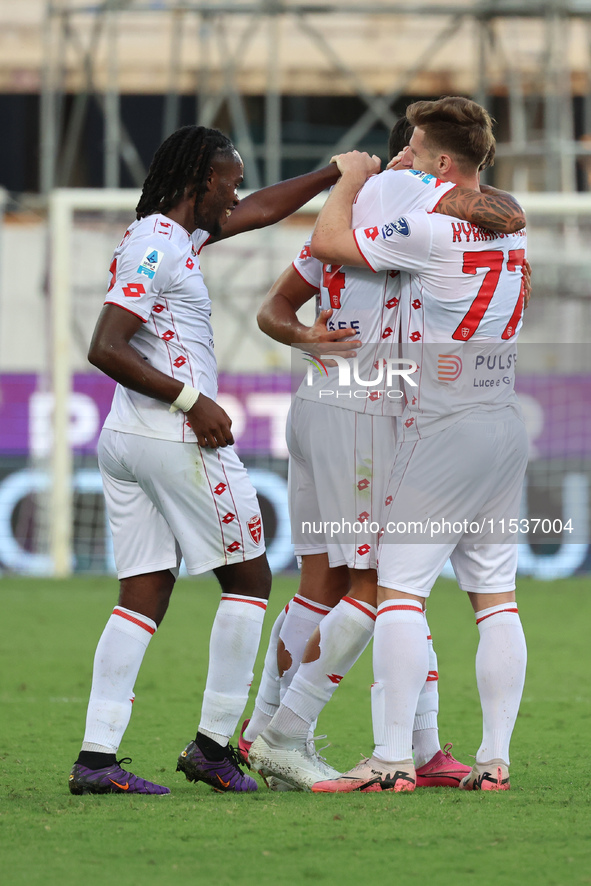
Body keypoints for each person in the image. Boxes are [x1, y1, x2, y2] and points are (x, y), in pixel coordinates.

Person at [244, 114, 527, 790]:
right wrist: (308, 338)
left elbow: (298, 279)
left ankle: (400, 747)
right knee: (382, 590)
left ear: (434, 163)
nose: (399, 151)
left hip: (353, 409)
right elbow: (281, 301)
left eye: (413, 145)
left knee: (335, 586)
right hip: (365, 410)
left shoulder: (392, 208)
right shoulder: (412, 211)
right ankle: (283, 732)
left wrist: (349, 181)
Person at [68, 125, 344, 796]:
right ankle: (213, 747)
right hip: (174, 437)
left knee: (143, 592)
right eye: (229, 179)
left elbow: (258, 212)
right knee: (249, 580)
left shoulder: (174, 234)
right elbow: (105, 346)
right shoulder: (160, 246)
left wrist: (334, 171)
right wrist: (194, 401)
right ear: (199, 185)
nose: (237, 190)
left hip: (129, 437)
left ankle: (97, 761)